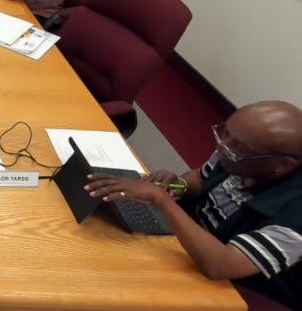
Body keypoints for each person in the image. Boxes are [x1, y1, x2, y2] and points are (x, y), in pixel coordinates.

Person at [85, 101, 302, 309]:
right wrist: (175, 185)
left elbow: (221, 266)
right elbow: (199, 180)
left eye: (238, 147)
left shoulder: (295, 214)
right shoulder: (237, 152)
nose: (221, 147)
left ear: (282, 165)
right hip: (183, 242)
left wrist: (160, 200)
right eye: (225, 133)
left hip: (230, 284)